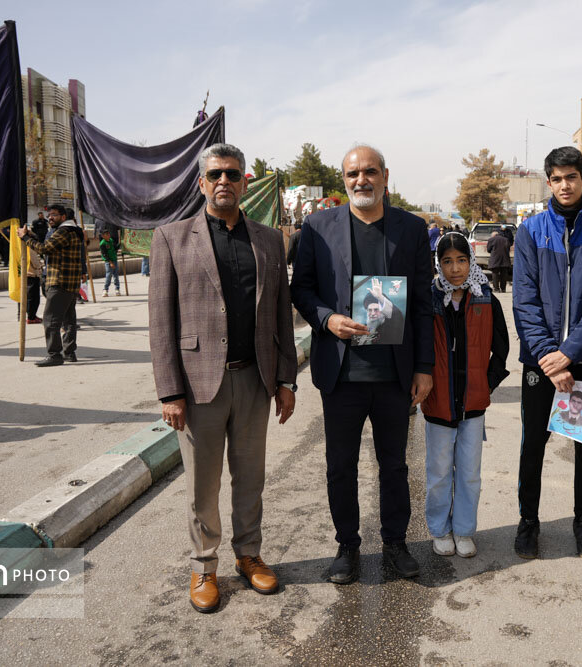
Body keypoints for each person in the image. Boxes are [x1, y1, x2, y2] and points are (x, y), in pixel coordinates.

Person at [149, 143, 298, 614]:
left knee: (250, 477)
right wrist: (170, 391)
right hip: (198, 387)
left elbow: (281, 313)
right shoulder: (172, 238)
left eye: (232, 174)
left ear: (244, 182)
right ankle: (204, 566)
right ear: (201, 182)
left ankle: (248, 553)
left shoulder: (269, 240)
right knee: (203, 485)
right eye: (215, 174)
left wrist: (287, 380)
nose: (223, 182)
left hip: (255, 379)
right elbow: (161, 323)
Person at [291, 144, 434, 585]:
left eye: (370, 171)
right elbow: (302, 289)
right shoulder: (318, 227)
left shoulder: (412, 228)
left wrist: (424, 366)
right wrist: (327, 319)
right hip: (342, 374)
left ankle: (395, 543)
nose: (361, 180)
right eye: (353, 173)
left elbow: (423, 303)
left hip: (394, 374)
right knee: (341, 467)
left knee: (395, 465)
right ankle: (347, 546)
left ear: (385, 176)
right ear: (344, 179)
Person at [512, 146, 582, 560]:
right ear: (549, 182)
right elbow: (524, 300)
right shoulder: (531, 231)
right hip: (540, 363)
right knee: (533, 445)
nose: (564, 185)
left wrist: (570, 354)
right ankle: (528, 521)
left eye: (571, 177)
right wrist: (549, 356)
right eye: (557, 179)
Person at [422, 232, 509, 559]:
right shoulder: (428, 300)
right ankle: (439, 530)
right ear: (438, 264)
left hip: (473, 406)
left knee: (470, 474)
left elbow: (501, 349)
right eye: (447, 261)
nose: (455, 268)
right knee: (439, 474)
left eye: (461, 260)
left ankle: (463, 530)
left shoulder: (486, 299)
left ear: (471, 261)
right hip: (437, 405)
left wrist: (486, 385)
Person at [17, 204, 84, 366]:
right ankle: (69, 352)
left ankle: (55, 354)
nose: (50, 218)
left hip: (59, 281)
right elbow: (49, 244)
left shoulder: (64, 231)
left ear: (63, 217)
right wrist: (31, 235)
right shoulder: (73, 230)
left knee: (50, 320)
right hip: (70, 282)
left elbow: (44, 248)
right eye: (49, 215)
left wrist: (25, 238)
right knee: (68, 320)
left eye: (54, 215)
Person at [25, 236, 42, 324]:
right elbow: (35, 262)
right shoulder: (29, 249)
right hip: (32, 274)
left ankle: (27, 315)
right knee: (33, 298)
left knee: (27, 297)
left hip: (25, 274)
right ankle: (31, 317)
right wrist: (40, 266)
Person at [99, 230, 121, 297]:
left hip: (114, 259)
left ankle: (117, 289)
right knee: (109, 275)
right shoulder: (102, 243)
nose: (108, 235)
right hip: (108, 261)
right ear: (103, 236)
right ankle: (105, 289)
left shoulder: (111, 240)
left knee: (116, 275)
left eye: (109, 234)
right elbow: (104, 254)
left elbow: (115, 248)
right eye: (107, 234)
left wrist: (120, 243)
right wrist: (110, 262)